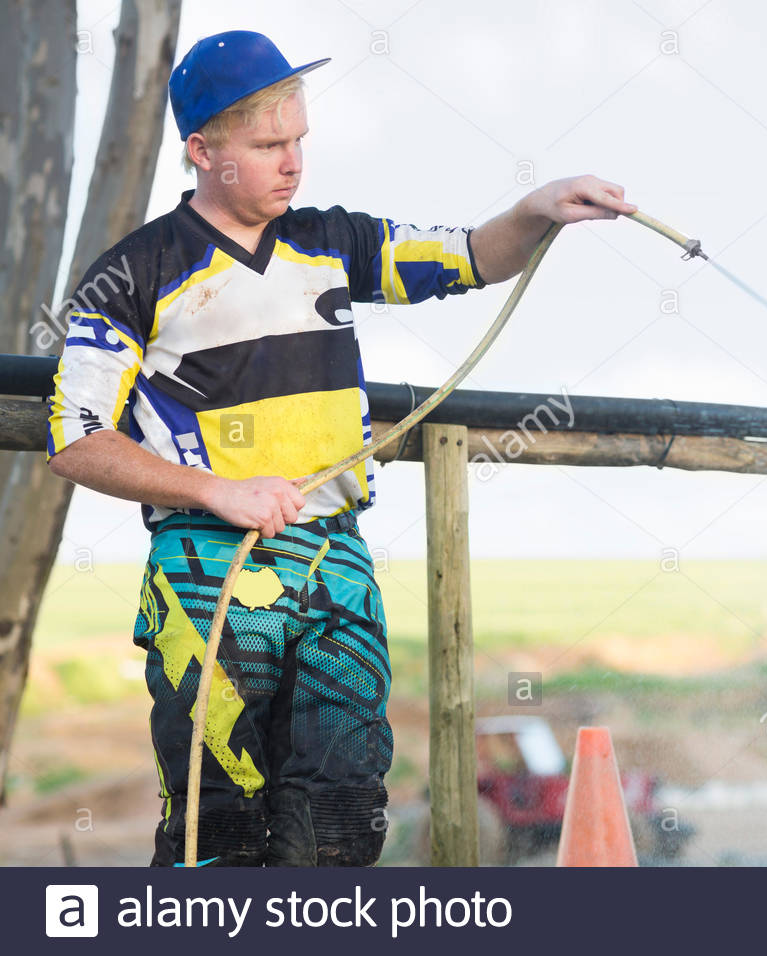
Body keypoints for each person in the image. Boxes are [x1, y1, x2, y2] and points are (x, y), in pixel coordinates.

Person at [45, 29, 636, 867]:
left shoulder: (333, 240)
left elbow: (468, 258)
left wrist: (537, 210)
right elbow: (75, 437)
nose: (293, 163)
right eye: (267, 146)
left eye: (299, 142)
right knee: (219, 833)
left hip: (340, 570)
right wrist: (217, 491)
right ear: (202, 151)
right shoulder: (130, 274)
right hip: (205, 578)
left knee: (345, 824)